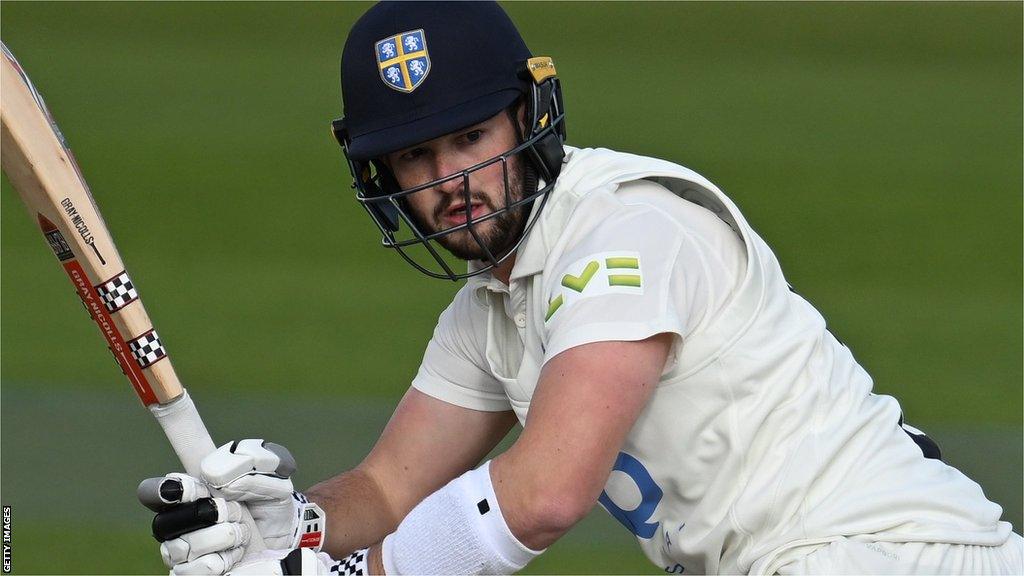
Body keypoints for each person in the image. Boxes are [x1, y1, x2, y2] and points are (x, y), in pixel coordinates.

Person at [138, 2, 1022, 574]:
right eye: (416, 155)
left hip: (892, 556)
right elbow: (386, 490)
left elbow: (548, 493)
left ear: (529, 120)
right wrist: (294, 526)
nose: (451, 179)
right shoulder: (488, 310)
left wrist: (353, 575)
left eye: (471, 137)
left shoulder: (622, 227)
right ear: (382, 177)